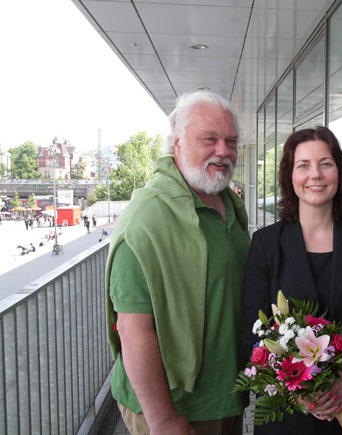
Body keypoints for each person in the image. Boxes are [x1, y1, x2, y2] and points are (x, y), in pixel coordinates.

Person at [105, 91, 250, 435]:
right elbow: (133, 328)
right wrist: (164, 421)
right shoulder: (147, 219)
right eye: (209, 139)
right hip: (177, 411)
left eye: (231, 141)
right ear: (178, 143)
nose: (223, 151)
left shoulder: (227, 202)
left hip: (226, 396)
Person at [243, 127, 342, 435]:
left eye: (325, 163)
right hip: (287, 416)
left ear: (339, 171)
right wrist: (298, 390)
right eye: (303, 165)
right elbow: (251, 330)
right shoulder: (266, 244)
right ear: (290, 175)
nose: (316, 175)